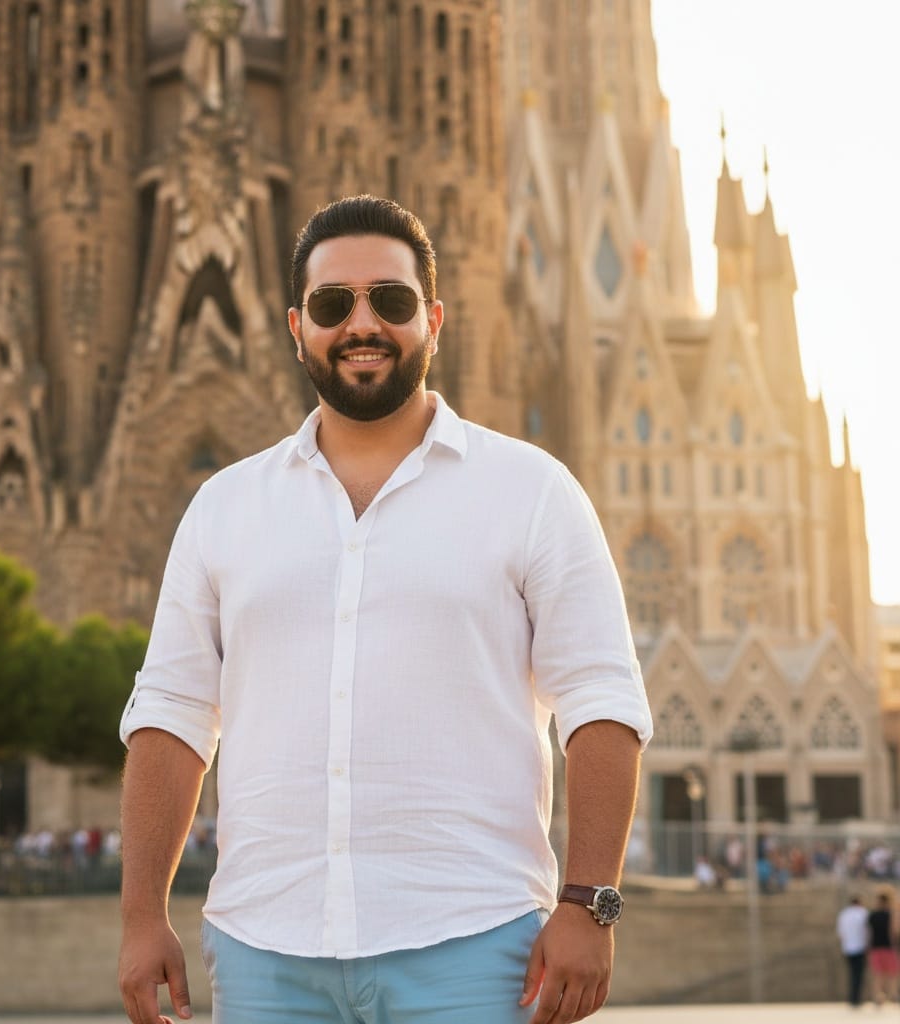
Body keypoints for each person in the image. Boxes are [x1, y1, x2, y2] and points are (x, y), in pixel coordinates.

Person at [117, 195, 653, 1024]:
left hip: (475, 948)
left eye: (391, 302)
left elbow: (603, 703)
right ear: (298, 327)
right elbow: (174, 715)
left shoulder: (532, 492)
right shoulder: (226, 507)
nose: (362, 324)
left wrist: (589, 902)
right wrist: (141, 915)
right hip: (266, 953)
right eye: (334, 305)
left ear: (433, 319)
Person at [836, 894, 869, 1008]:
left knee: (852, 974)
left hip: (848, 948)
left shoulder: (844, 914)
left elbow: (841, 934)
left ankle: (852, 998)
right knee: (858, 975)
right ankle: (856, 999)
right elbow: (867, 932)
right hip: (860, 947)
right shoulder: (863, 913)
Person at [867, 890, 899, 1005]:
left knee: (878, 974)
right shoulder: (891, 914)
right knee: (892, 973)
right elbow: (893, 931)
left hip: (875, 948)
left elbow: (869, 933)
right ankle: (893, 995)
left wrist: (869, 947)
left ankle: (878, 996)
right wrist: (894, 946)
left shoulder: (872, 915)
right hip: (888, 947)